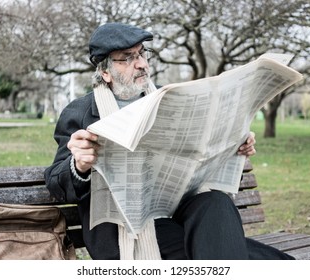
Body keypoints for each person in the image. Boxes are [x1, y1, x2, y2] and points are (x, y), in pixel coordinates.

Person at [45, 22, 294, 260]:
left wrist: (233, 147)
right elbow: (56, 183)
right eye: (128, 58)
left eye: (142, 53)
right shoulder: (80, 113)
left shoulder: (170, 98)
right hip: (130, 232)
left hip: (180, 212)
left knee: (216, 203)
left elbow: (200, 159)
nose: (141, 64)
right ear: (105, 72)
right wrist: (79, 165)